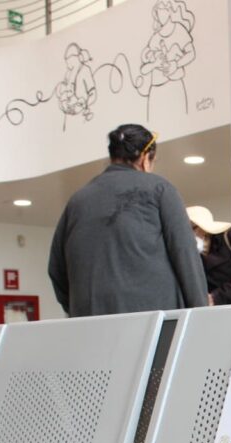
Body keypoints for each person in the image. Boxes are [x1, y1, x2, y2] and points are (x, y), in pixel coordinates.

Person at [49, 123, 208, 316]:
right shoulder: (159, 189)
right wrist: (201, 313)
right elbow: (185, 255)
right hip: (153, 320)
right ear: (144, 159)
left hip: (91, 323)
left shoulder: (78, 200)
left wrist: (78, 308)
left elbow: (56, 269)